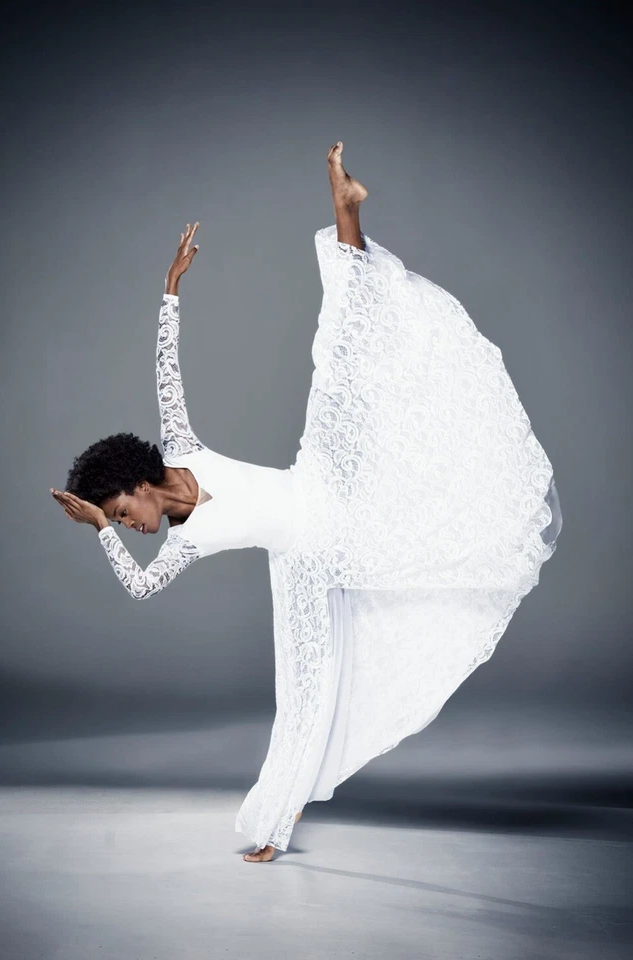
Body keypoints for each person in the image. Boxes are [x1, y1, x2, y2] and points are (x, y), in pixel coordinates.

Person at [50, 141, 563, 863]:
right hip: (304, 567)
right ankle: (274, 828)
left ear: (137, 482)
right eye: (122, 523)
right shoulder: (182, 542)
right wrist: (101, 530)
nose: (133, 527)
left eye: (122, 512)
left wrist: (170, 288)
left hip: (323, 477)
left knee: (344, 351)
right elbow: (138, 588)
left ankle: (344, 208)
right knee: (305, 702)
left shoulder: (181, 446)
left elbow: (165, 364)